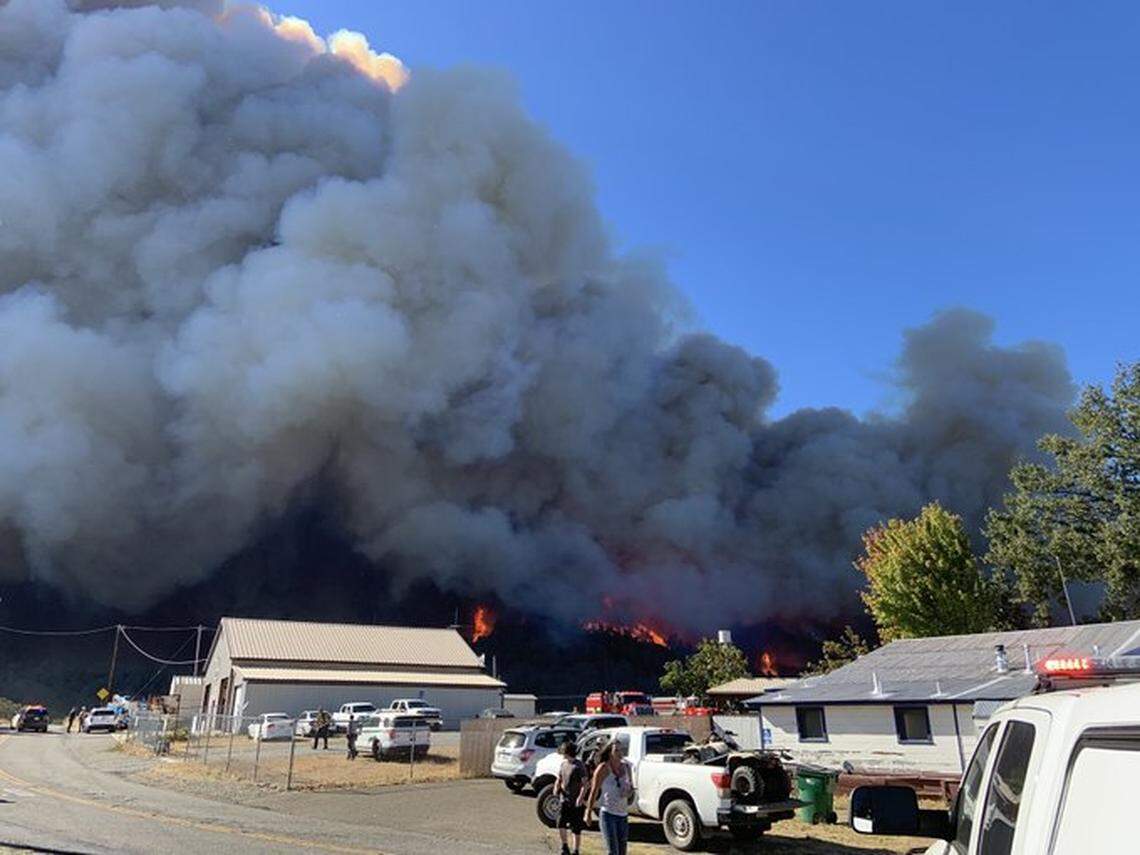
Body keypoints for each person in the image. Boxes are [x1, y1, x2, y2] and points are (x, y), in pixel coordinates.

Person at [584, 737, 633, 855]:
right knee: (613, 851)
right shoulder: (603, 768)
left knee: (622, 852)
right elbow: (594, 791)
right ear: (610, 752)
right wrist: (588, 812)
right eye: (616, 750)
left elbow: (631, 787)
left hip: (623, 815)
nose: (619, 753)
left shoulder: (626, 767)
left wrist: (629, 791)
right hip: (608, 814)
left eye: (621, 750)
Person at [553, 739, 586, 855]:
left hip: (576, 801)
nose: (562, 753)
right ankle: (564, 846)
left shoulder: (578, 766)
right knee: (561, 823)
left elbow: (584, 784)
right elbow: (559, 778)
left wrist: (580, 798)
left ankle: (576, 850)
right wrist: (556, 788)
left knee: (576, 827)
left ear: (568, 752)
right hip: (564, 799)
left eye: (563, 751)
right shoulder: (563, 764)